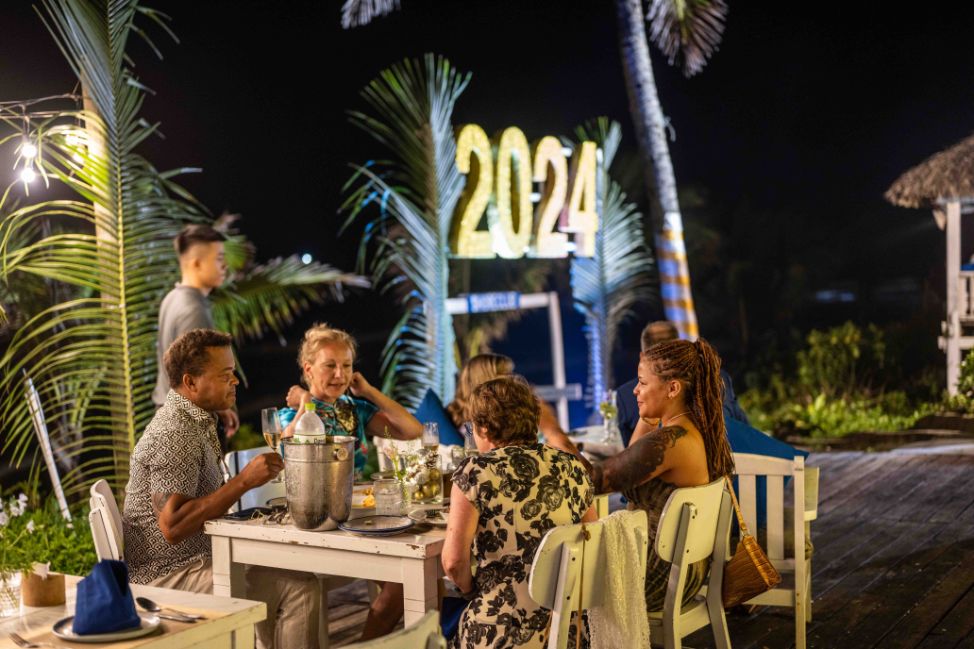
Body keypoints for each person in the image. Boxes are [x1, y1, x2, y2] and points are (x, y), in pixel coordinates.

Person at [124, 329, 320, 648]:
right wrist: (243, 482)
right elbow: (172, 526)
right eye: (226, 374)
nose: (236, 381)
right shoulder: (175, 432)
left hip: (194, 562)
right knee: (299, 588)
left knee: (290, 575)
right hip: (166, 579)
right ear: (191, 382)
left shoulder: (193, 418)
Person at [281, 323, 423, 640]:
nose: (340, 374)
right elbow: (285, 452)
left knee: (422, 576)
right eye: (330, 365)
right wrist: (306, 404)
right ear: (308, 369)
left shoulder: (355, 409)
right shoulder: (292, 414)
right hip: (320, 522)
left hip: (360, 517)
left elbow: (413, 431)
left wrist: (369, 391)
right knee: (408, 582)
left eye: (346, 366)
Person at [443, 375, 595, 649]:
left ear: (484, 428)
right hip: (569, 629)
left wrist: (468, 591)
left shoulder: (475, 472)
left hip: (502, 631)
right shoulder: (572, 466)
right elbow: (592, 542)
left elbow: (453, 563)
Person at [590, 338, 735, 612]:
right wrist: (648, 415)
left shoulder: (672, 440)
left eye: (643, 383)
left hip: (658, 577)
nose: (635, 390)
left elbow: (599, 480)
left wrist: (553, 435)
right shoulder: (689, 428)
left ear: (673, 388)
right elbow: (631, 463)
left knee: (563, 571)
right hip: (685, 571)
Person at [152, 224, 238, 439]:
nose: (225, 264)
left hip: (169, 413)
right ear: (197, 264)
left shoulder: (172, 298)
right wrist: (220, 409)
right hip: (187, 424)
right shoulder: (193, 310)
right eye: (218, 258)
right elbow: (198, 379)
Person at [446, 353, 581, 456]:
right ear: (486, 382)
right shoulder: (481, 428)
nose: (512, 380)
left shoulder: (465, 421)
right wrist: (550, 427)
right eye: (505, 375)